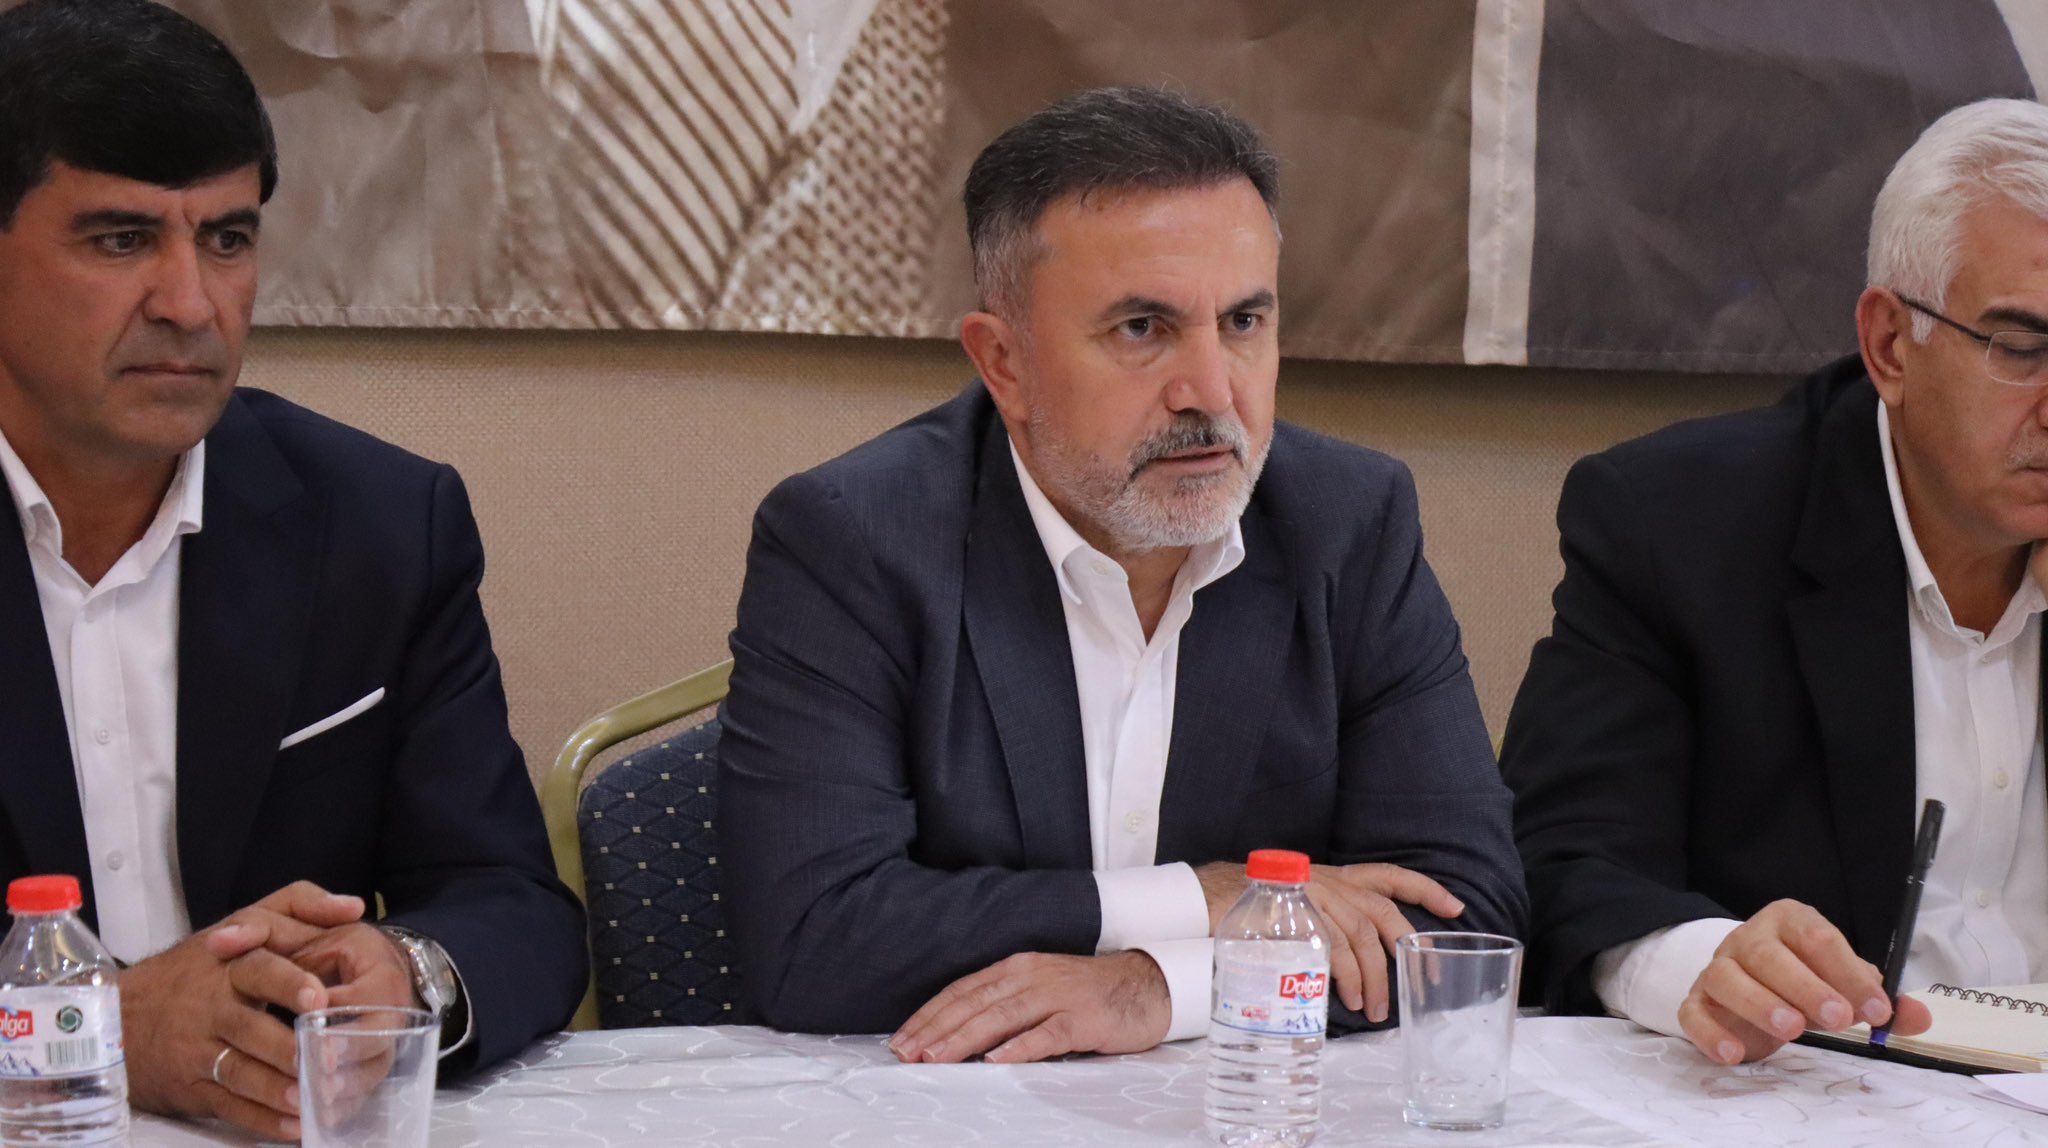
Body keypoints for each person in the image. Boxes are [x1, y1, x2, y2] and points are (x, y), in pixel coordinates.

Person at [719, 84, 1525, 1063]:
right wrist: (1203, 897)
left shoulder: (1348, 523)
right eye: (1142, 328)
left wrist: (1163, 985)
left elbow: (1463, 916)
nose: (1211, 391)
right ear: (1003, 363)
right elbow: (813, 937)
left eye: (1243, 321)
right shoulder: (856, 538)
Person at [0, 0, 584, 1137]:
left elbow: (510, 900)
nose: (190, 303)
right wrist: (103, 1024)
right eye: (120, 240)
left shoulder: (379, 524)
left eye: (227, 239)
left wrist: (404, 973)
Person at [1502, 97, 2048, 1066]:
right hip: (1820, 1085)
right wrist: (1704, 964)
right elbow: (1561, 861)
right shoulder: (1679, 524)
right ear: (1890, 345)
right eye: (2022, 348)